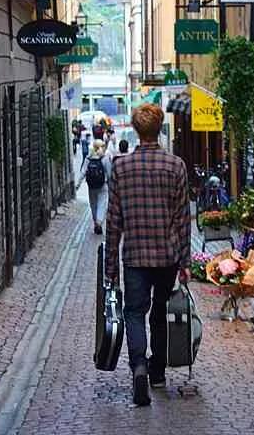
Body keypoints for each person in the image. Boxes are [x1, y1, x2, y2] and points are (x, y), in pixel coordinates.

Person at [105, 104, 191, 407]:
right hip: (167, 255)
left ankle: (139, 366)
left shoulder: (121, 168)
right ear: (159, 128)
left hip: (135, 256)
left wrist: (110, 267)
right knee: (160, 312)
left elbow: (113, 221)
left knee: (134, 312)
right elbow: (183, 218)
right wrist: (185, 261)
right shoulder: (176, 166)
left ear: (136, 130)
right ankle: (157, 372)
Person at [77, 140, 112, 234]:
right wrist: (111, 184)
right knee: (102, 204)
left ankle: (95, 221)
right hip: (102, 185)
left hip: (91, 186)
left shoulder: (88, 158)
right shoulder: (104, 158)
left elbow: (83, 172)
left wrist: (78, 184)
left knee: (93, 204)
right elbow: (109, 173)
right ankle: (99, 222)